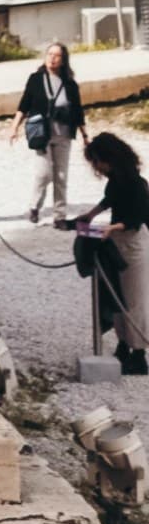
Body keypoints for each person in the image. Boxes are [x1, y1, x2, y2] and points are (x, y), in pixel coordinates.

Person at [76, 132, 149, 374]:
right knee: (116, 296)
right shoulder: (116, 180)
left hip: (132, 242)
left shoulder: (137, 184)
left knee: (133, 300)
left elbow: (135, 219)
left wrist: (112, 228)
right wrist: (91, 215)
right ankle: (123, 344)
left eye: (97, 161)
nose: (96, 167)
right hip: (116, 241)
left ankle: (138, 352)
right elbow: (109, 200)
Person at [10, 40, 84, 223]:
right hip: (42, 134)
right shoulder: (36, 79)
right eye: (50, 54)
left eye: (57, 55)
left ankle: (60, 216)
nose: (52, 59)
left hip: (63, 134)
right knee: (44, 173)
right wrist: (14, 127)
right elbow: (24, 104)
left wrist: (85, 135)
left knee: (61, 176)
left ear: (63, 60)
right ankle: (35, 206)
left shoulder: (70, 84)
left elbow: (78, 111)